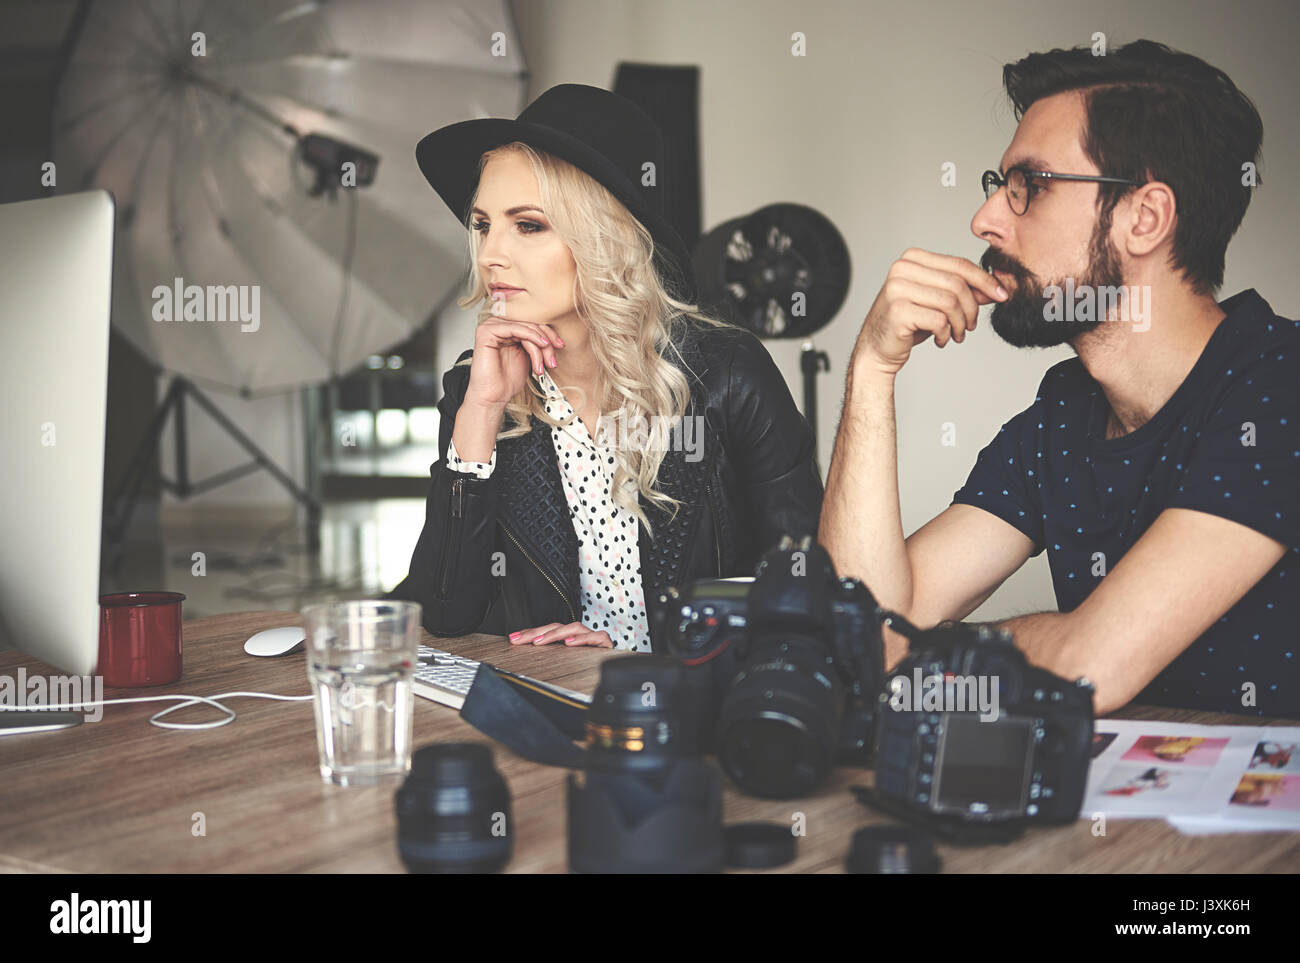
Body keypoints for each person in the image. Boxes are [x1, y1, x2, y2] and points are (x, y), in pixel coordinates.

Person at [819, 40, 1297, 717]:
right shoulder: (1063, 416)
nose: (985, 220)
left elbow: (1090, 663)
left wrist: (911, 650)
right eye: (998, 187)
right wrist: (872, 371)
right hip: (1115, 820)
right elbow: (861, 628)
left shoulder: (1279, 389)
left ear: (1144, 217)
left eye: (1029, 187)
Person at [387, 84, 823, 650]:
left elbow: (806, 585)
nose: (491, 254)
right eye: (482, 224)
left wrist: (635, 653)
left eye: (528, 225)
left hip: (699, 712)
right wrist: (482, 413)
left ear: (604, 236)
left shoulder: (728, 374)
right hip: (552, 710)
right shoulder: (478, 388)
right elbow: (445, 613)